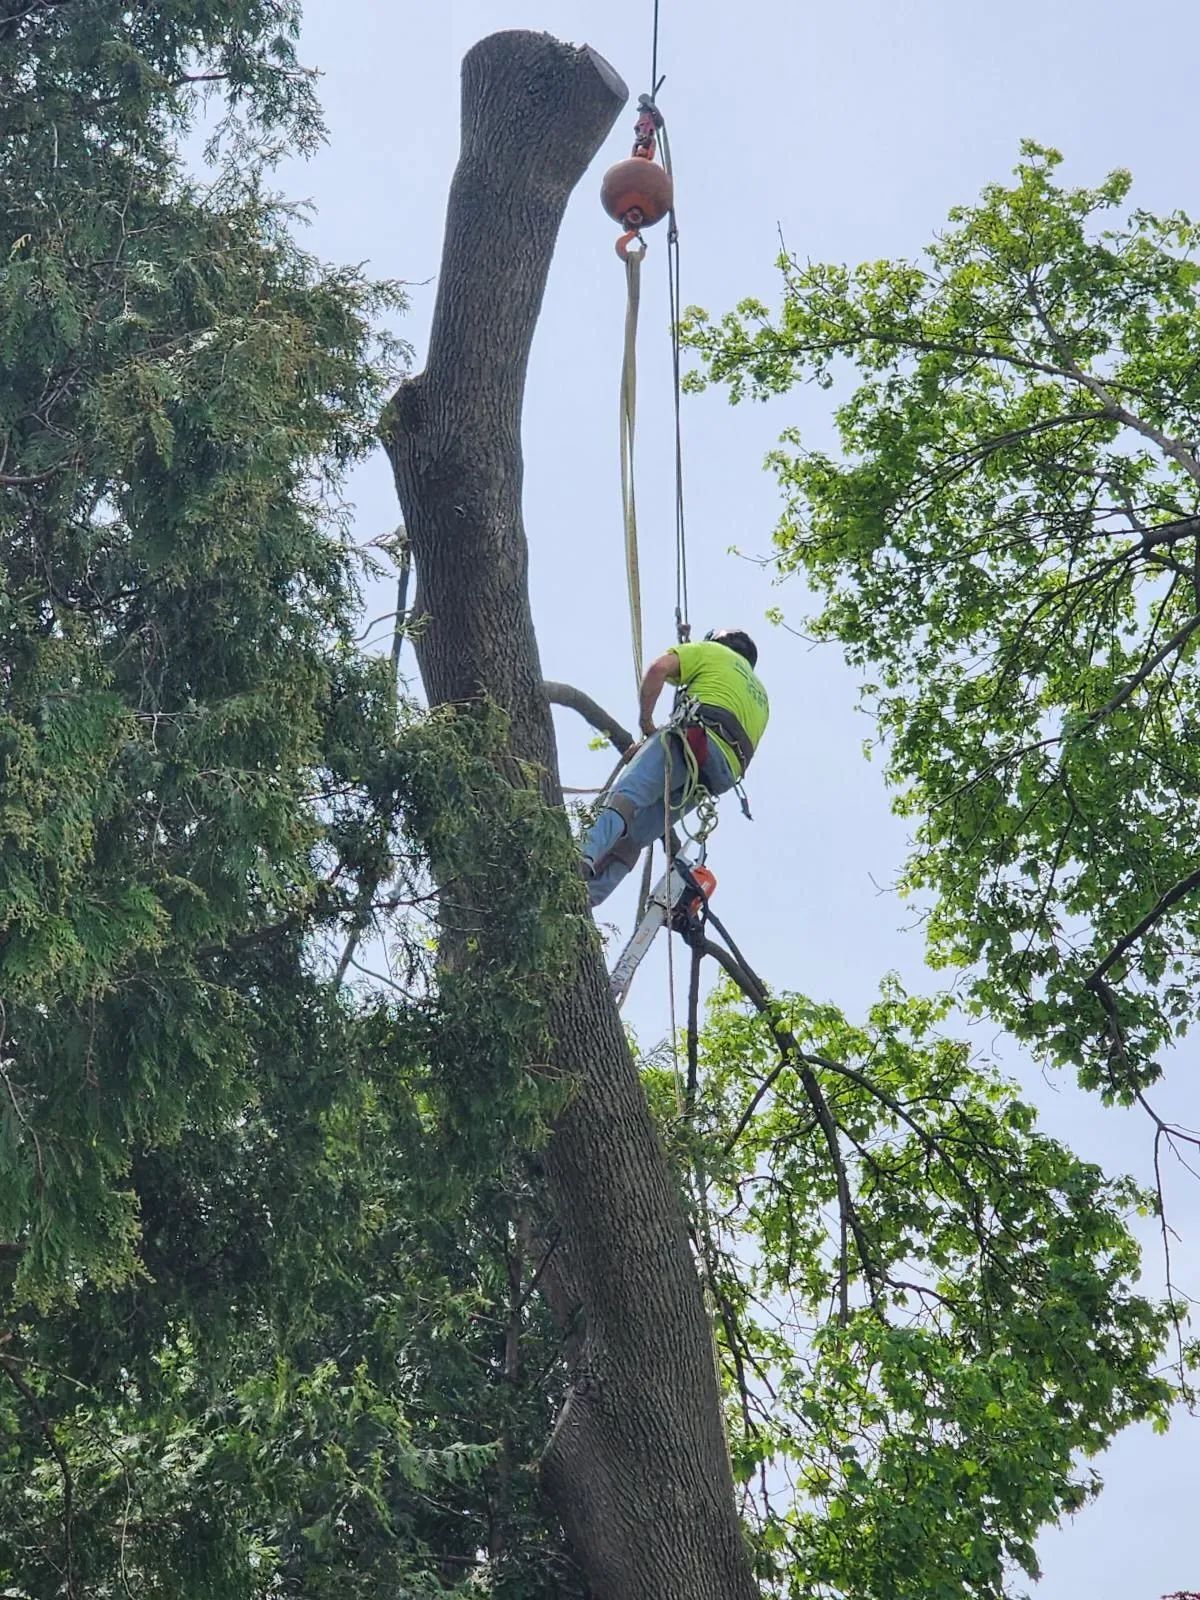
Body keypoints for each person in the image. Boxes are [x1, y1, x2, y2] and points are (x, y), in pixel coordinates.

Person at [580, 629, 769, 909]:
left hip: (691, 741)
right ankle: (589, 898)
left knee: (625, 800)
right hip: (715, 777)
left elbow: (658, 669)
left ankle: (580, 857)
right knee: (636, 838)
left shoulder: (712, 652)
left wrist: (647, 724)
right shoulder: (763, 698)